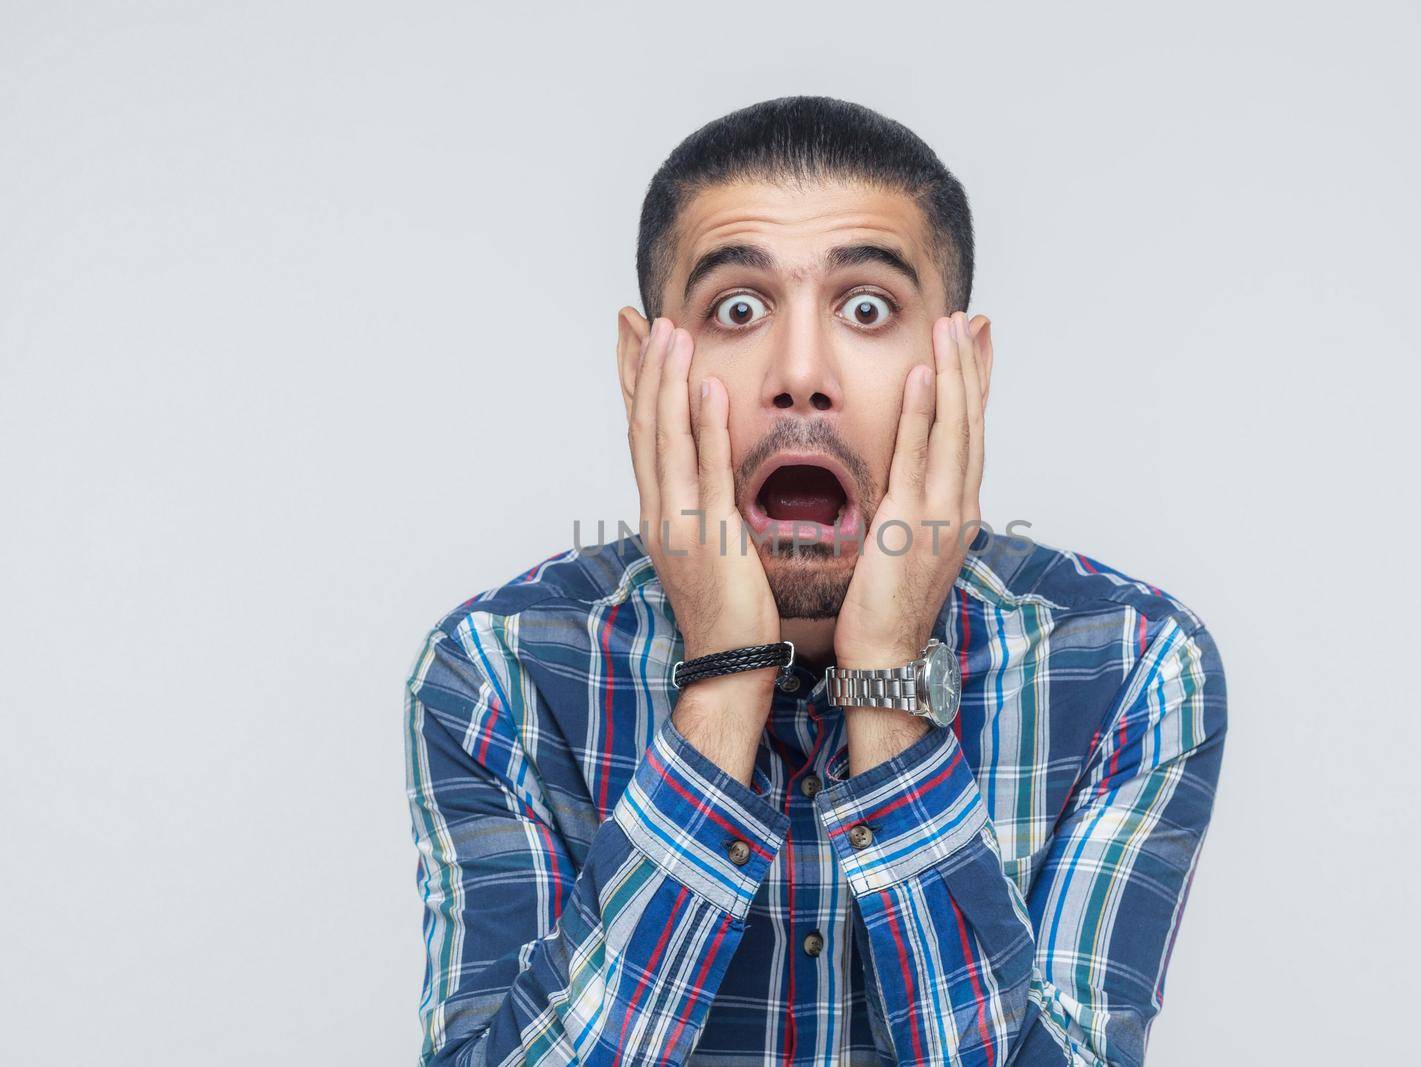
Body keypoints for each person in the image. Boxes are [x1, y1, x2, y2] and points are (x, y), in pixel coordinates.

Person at [404, 95, 1227, 1066]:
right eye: (737, 308)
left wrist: (885, 674)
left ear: (965, 365)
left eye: (868, 308)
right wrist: (725, 680)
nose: (800, 373)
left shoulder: (1131, 666)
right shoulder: (496, 675)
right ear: (642, 368)